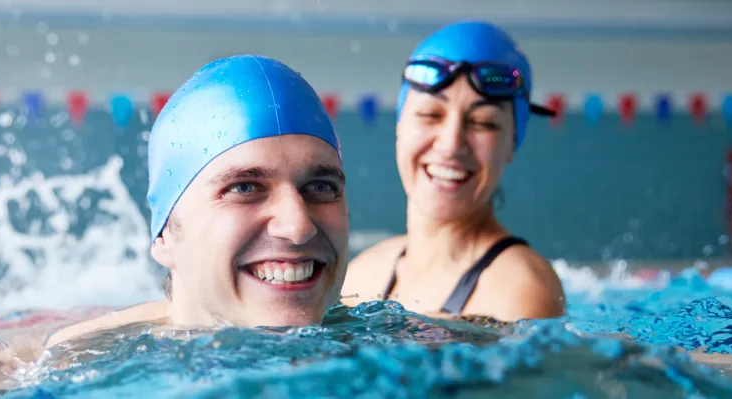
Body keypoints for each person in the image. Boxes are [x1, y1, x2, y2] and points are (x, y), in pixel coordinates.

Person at [42, 54, 351, 347]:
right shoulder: (68, 372)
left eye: (321, 186)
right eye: (244, 188)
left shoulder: (390, 345)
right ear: (165, 235)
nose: (298, 226)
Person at [339, 21, 567, 322]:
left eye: (484, 122)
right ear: (400, 126)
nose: (450, 145)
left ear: (512, 143)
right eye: (430, 114)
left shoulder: (520, 290)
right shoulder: (362, 274)